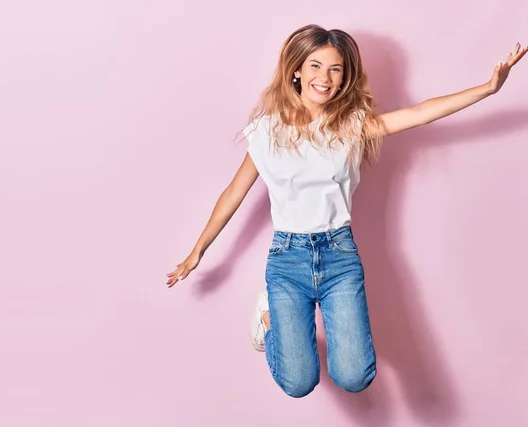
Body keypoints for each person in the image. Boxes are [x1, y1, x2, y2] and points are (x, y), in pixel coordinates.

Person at [166, 25, 526, 398]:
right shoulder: (266, 130)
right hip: (287, 259)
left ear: (344, 77)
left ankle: (282, 319)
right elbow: (232, 194)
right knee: (298, 382)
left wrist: (488, 88)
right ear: (297, 70)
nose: (324, 78)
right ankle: (268, 316)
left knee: (356, 377)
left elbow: (421, 114)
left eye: (335, 69)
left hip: (339, 256)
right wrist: (198, 251)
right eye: (315, 66)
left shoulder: (351, 127)